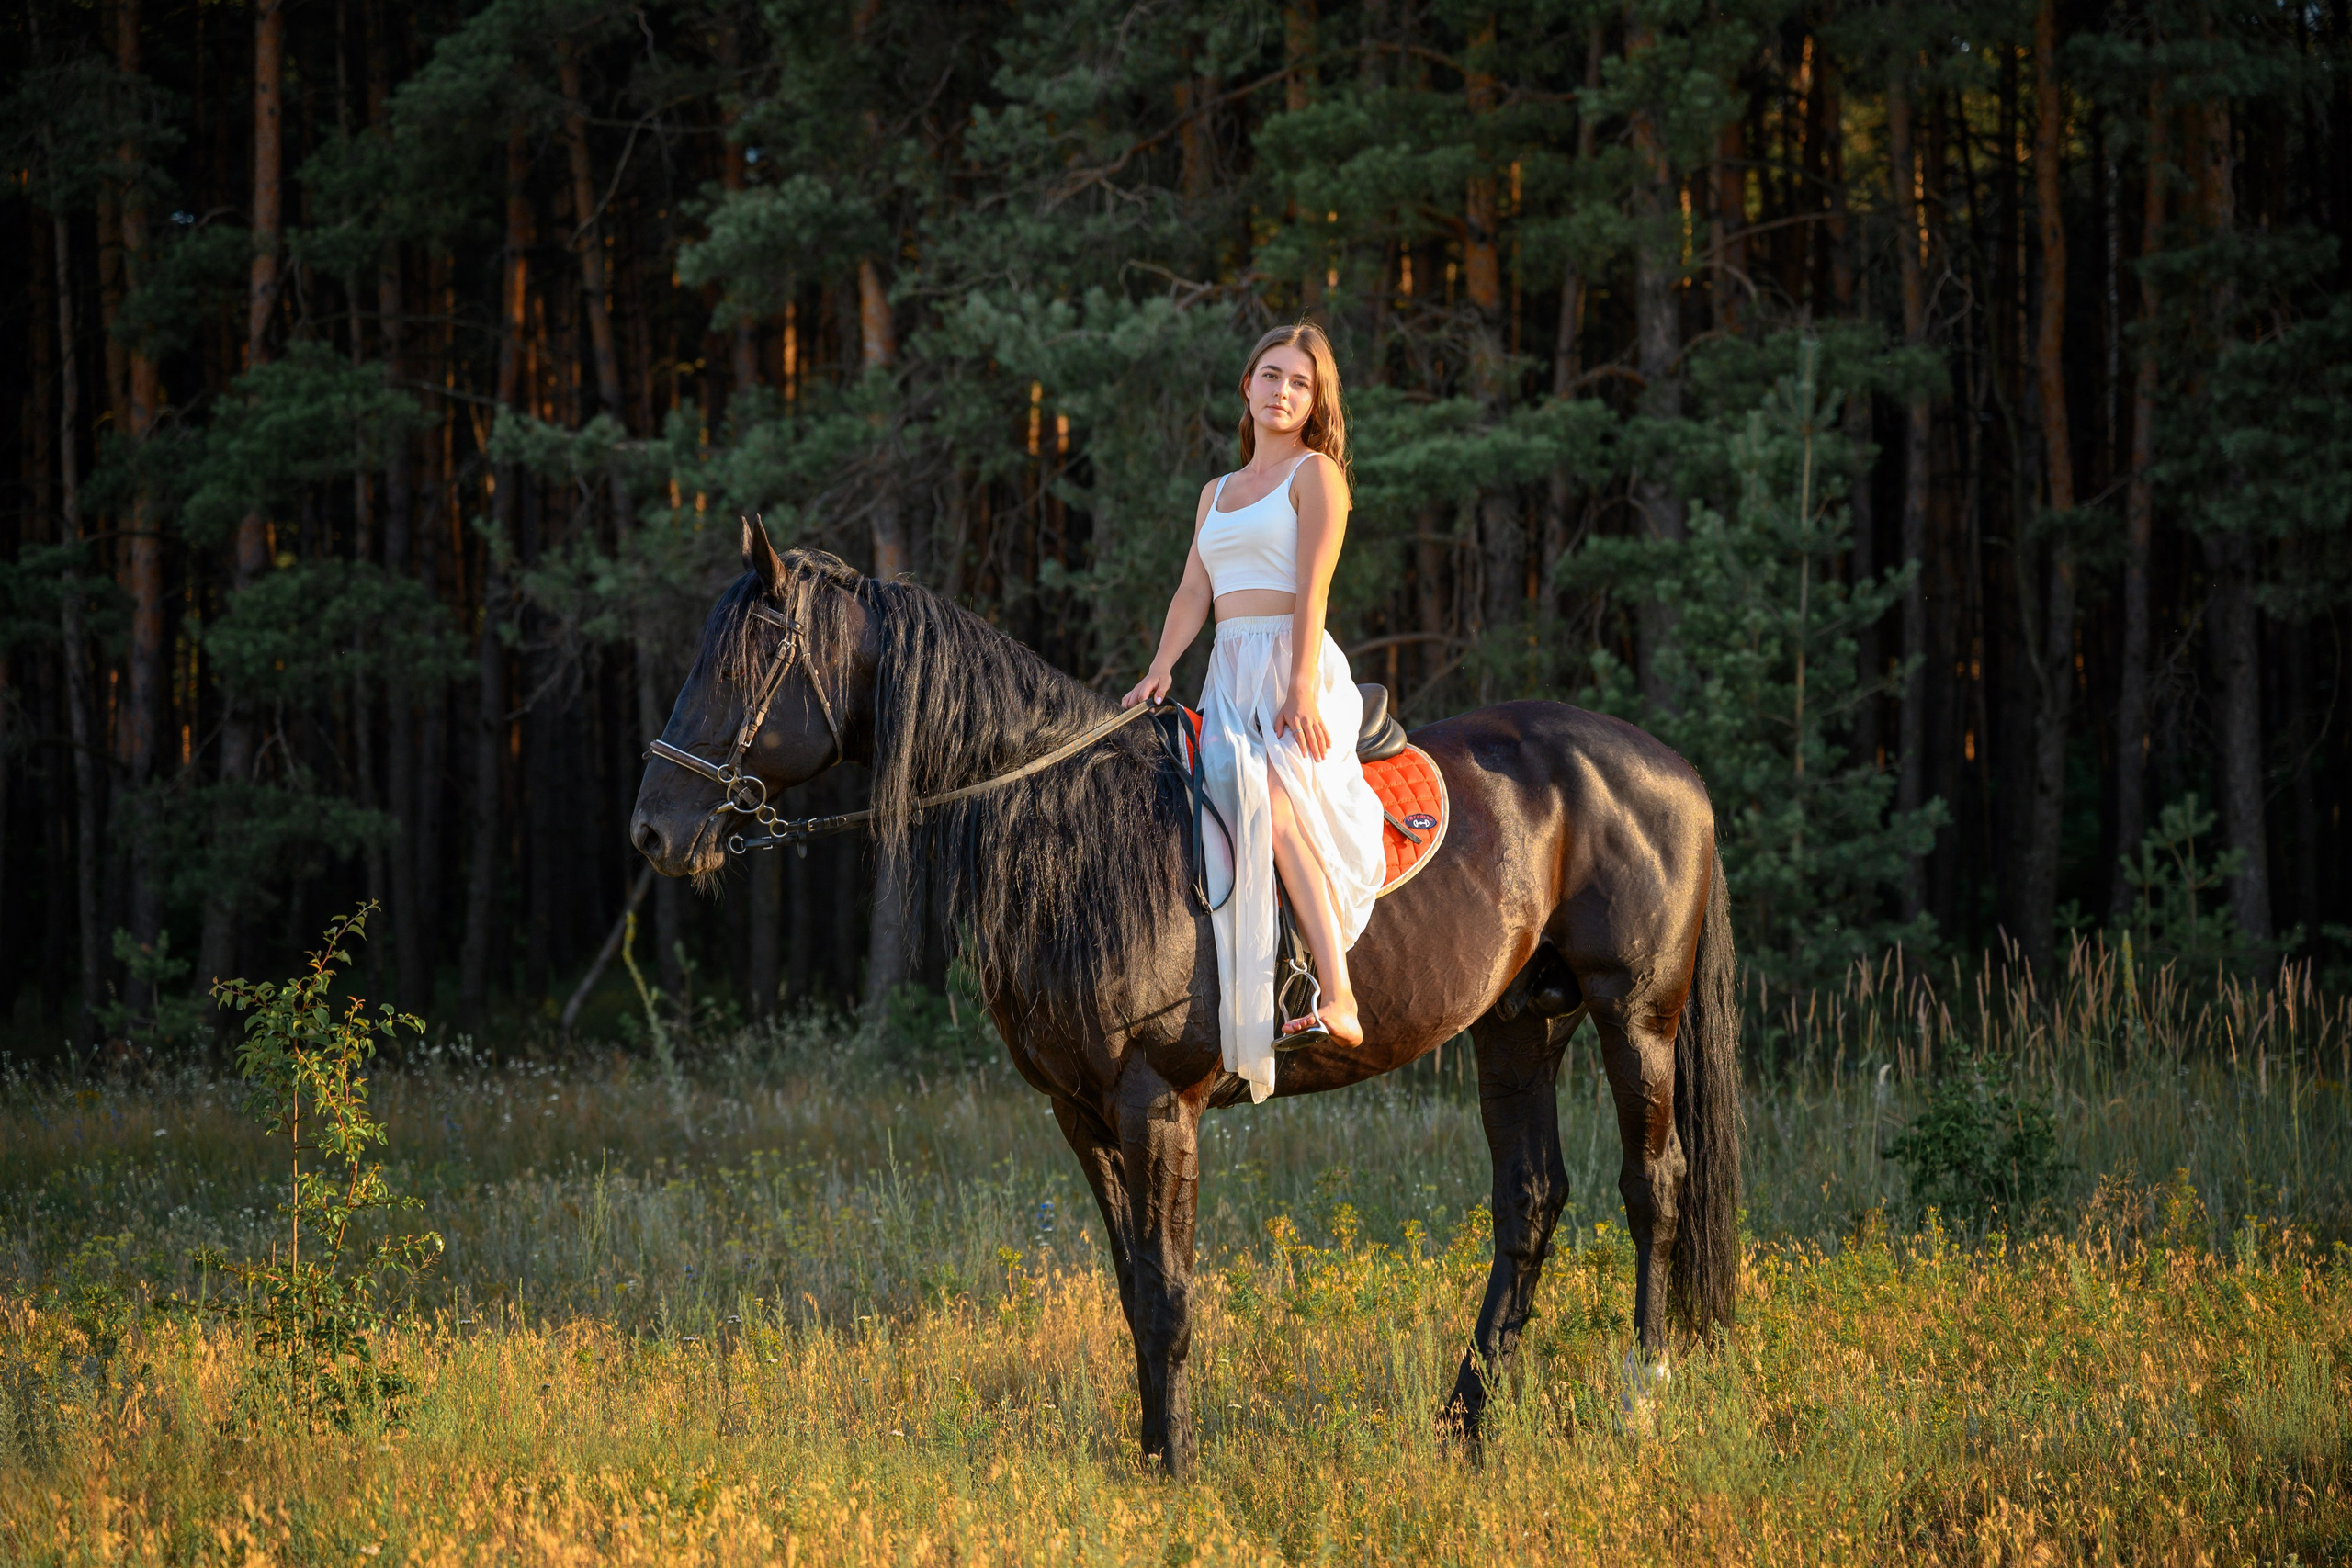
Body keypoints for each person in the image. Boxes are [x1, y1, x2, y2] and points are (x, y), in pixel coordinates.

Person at [1122, 323, 1387, 1104]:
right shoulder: (1217, 492)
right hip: (1228, 672)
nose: (1282, 391)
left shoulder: (1318, 476)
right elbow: (1193, 593)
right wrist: (1161, 667)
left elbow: (1315, 588)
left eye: (1300, 383)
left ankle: (1337, 991)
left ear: (1315, 401)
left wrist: (1300, 684)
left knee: (1266, 791)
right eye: (1271, 375)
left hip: (1291, 664)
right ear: (1247, 384)